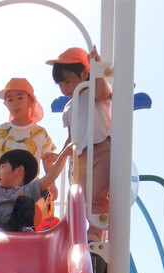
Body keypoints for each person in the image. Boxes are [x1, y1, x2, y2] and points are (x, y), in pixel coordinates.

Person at [46, 47, 112, 249]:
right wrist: (60, 157)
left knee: (98, 197)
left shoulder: (93, 90)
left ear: (84, 74)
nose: (64, 88)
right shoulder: (68, 107)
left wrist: (97, 69)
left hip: (101, 150)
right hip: (79, 156)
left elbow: (103, 94)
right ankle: (74, 237)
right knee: (78, 198)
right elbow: (71, 137)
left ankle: (93, 236)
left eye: (68, 81)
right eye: (60, 84)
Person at [0, 143, 72, 232]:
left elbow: (51, 176)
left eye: (2, 167)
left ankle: (25, 228)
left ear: (19, 171)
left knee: (25, 201)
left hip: (18, 227)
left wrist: (64, 155)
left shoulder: (29, 189)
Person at [0, 77, 57, 181]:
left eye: (20, 98)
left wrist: (52, 184)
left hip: (30, 188)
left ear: (30, 101)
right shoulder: (1, 130)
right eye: (10, 99)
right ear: (5, 104)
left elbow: (47, 160)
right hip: (2, 189)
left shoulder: (40, 132)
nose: (15, 103)